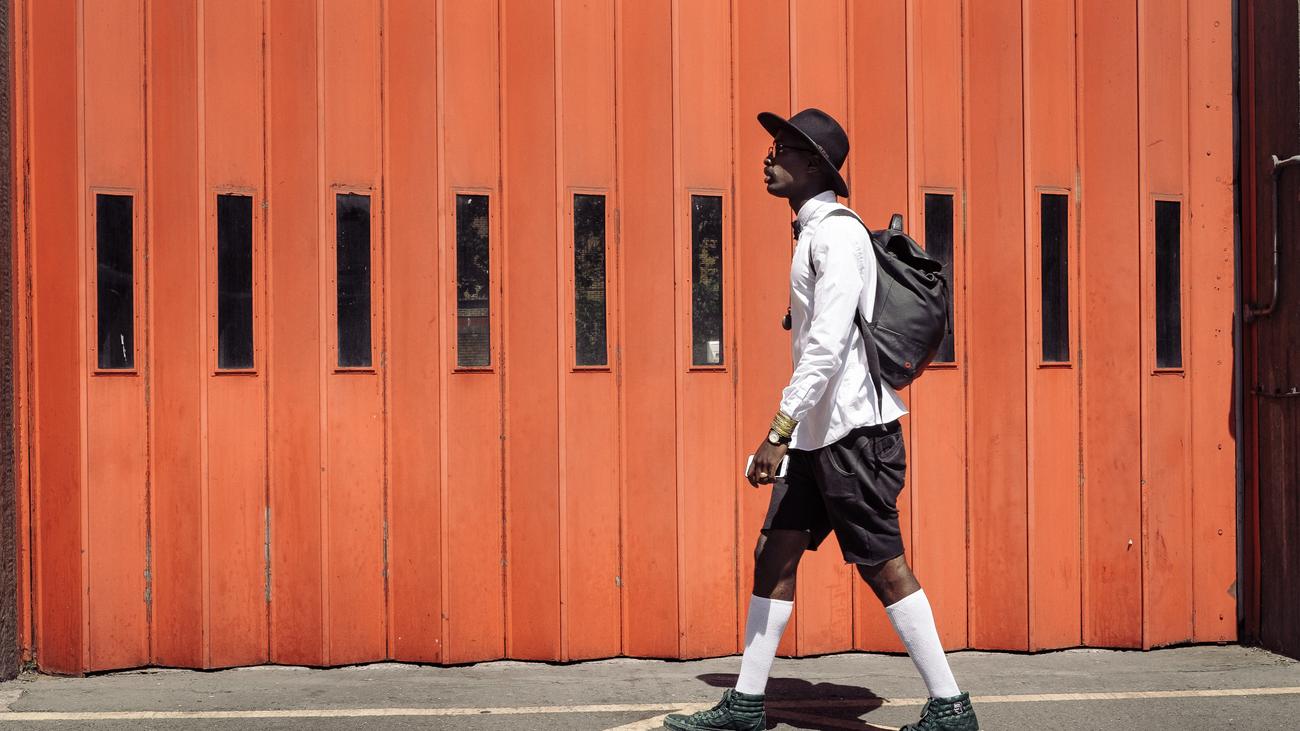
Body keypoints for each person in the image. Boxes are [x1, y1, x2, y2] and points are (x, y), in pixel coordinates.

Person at [663, 109, 979, 731]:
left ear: (814, 165)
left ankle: (950, 706)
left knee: (883, 566)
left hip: (853, 437)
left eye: (781, 149)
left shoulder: (834, 236)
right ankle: (746, 704)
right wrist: (795, 433)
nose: (768, 158)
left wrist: (777, 431)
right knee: (774, 553)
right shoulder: (813, 233)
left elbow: (827, 346)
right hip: (819, 436)